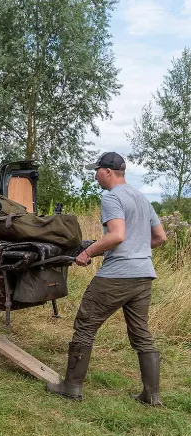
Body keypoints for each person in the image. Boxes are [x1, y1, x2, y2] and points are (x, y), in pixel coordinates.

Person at [47, 152, 167, 405]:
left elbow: (117, 235)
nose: (95, 175)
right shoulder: (142, 198)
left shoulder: (112, 197)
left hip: (117, 276)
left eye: (97, 170)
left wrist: (87, 252)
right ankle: (151, 394)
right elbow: (159, 238)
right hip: (143, 275)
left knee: (86, 325)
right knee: (141, 333)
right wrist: (136, 251)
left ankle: (72, 386)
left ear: (108, 171)